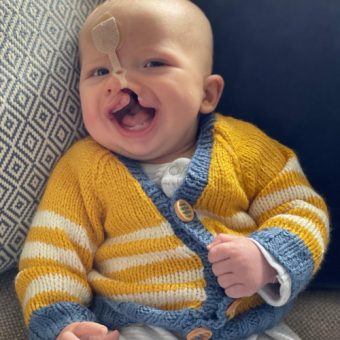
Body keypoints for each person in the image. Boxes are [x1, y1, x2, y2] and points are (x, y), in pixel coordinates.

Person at [16, 0, 329, 339]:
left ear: (206, 94)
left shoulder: (245, 147)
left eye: (153, 63)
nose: (120, 81)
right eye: (100, 72)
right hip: (138, 328)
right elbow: (49, 261)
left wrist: (268, 258)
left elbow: (302, 207)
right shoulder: (82, 169)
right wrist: (64, 324)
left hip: (247, 326)